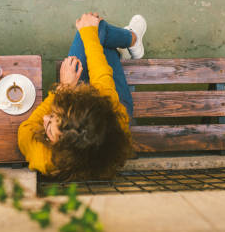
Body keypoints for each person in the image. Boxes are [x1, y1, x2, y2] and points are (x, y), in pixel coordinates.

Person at [18, 12, 147, 181]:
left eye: (49, 125)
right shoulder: (111, 116)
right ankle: (133, 39)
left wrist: (64, 90)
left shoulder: (44, 158)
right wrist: (89, 32)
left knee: (96, 33)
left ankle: (118, 49)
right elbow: (102, 78)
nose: (44, 118)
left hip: (80, 98)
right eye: (52, 118)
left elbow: (25, 130)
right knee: (94, 30)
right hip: (116, 105)